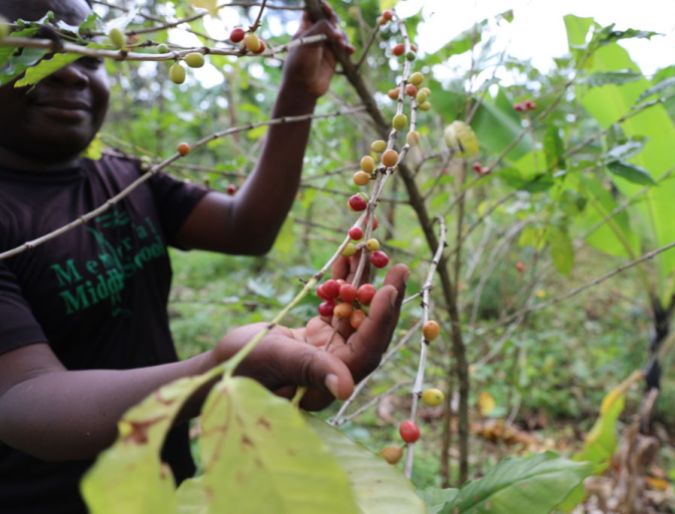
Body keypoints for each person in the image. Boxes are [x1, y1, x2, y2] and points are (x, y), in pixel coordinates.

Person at [0, 1, 409, 513]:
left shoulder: (123, 177)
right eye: (34, 52)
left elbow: (247, 227)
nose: (71, 76)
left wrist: (299, 91)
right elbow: (21, 398)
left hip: (166, 477)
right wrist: (220, 370)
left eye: (88, 56)